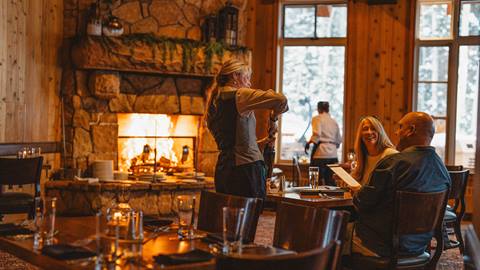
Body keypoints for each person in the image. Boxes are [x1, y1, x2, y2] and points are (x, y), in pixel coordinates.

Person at [351, 112, 451, 257]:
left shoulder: (393, 164)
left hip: (381, 244)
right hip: (420, 246)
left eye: (400, 127)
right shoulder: (442, 170)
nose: (396, 132)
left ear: (410, 130)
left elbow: (362, 202)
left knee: (335, 235)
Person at [205, 59, 288, 198]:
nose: (249, 83)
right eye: (247, 77)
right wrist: (273, 118)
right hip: (246, 172)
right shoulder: (240, 95)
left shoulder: (213, 101)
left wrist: (259, 144)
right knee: (249, 217)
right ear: (235, 76)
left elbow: (232, 143)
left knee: (229, 217)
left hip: (223, 171)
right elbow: (281, 100)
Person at [350, 116, 398, 186]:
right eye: (365, 129)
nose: (369, 132)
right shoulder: (362, 156)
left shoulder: (391, 154)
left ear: (380, 132)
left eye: (373, 129)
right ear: (360, 134)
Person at [306, 101, 342, 186]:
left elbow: (317, 134)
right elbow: (339, 140)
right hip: (333, 154)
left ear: (319, 109)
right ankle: (332, 198)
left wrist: (309, 142)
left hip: (320, 153)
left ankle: (314, 198)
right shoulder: (334, 121)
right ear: (328, 109)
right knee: (331, 180)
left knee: (315, 180)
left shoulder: (317, 118)